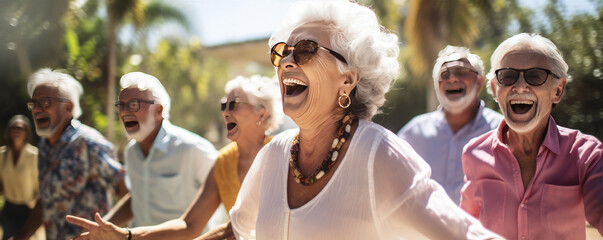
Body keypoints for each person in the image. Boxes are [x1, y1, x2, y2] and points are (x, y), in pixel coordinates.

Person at [196, 1, 501, 239]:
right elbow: (235, 231)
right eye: (282, 52)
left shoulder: (378, 154)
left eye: (306, 50)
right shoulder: (275, 153)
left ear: (348, 79)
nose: (287, 61)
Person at [66, 75, 284, 239]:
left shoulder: (283, 153)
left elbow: (238, 227)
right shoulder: (223, 161)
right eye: (223, 105)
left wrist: (127, 236)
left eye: (234, 105)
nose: (225, 112)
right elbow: (189, 225)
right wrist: (122, 234)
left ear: (262, 113)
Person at [460, 33, 603, 239]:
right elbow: (466, 227)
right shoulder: (474, 153)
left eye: (535, 76)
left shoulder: (587, 156)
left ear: (558, 91)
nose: (519, 86)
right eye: (508, 76)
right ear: (494, 88)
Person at [93, 72, 218, 229]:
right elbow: (137, 198)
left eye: (133, 104)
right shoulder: (131, 152)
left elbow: (225, 193)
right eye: (121, 105)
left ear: (158, 111)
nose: (124, 112)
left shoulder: (191, 149)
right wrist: (100, 228)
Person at [14, 68, 126, 240]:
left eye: (45, 102)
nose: (36, 109)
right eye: (34, 103)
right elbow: (46, 200)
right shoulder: (44, 146)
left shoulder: (90, 144)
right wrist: (21, 236)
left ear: (68, 108)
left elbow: (128, 192)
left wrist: (116, 233)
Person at [397, 46, 502, 203]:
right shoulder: (413, 133)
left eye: (461, 71)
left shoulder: (502, 131)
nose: (452, 78)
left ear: (480, 82)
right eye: (444, 74)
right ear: (436, 85)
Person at [0, 115, 44, 240]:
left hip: (27, 210)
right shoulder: (2, 155)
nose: (16, 131)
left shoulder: (34, 155)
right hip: (8, 208)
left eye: (20, 128)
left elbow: (40, 186)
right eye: (13, 128)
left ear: (27, 132)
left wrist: (36, 210)